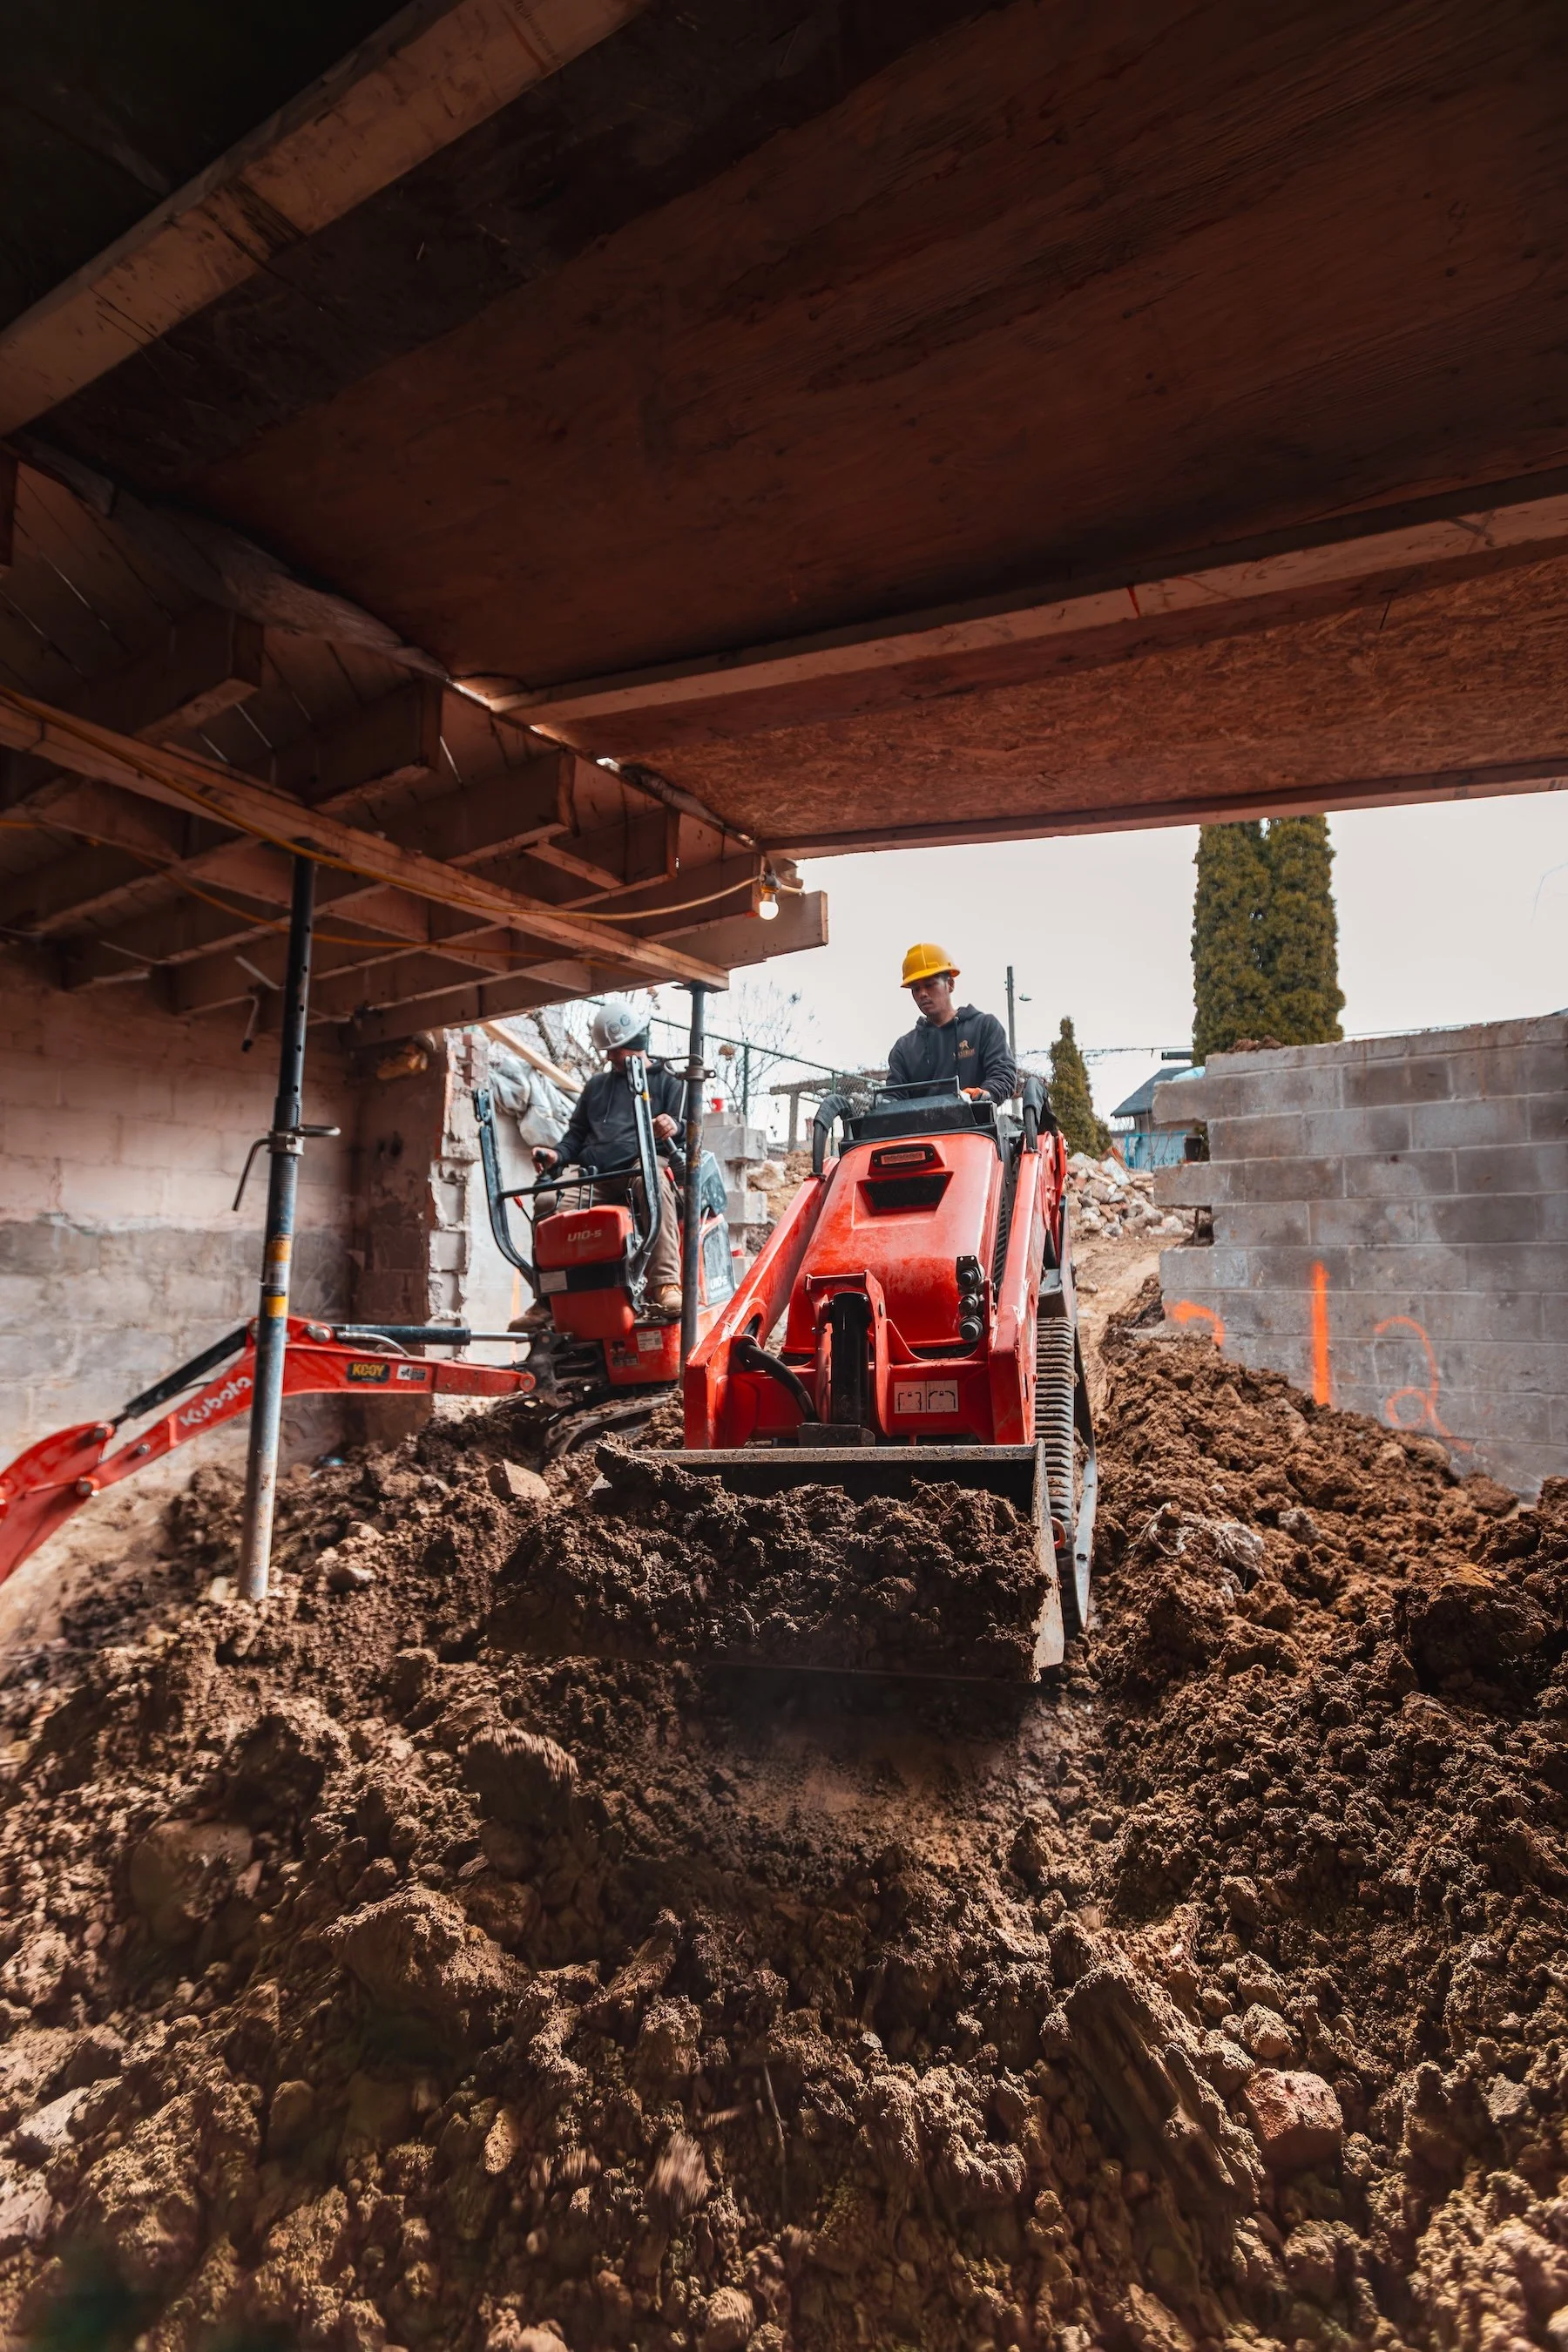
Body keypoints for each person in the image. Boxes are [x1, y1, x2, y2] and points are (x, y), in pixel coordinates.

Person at [526, 999, 686, 1322]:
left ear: (636, 1041)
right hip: (596, 1176)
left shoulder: (669, 1081)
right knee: (546, 1202)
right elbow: (575, 1135)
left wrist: (673, 1126)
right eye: (608, 1051)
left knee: (652, 1182)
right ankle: (547, 1299)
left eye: (615, 1050)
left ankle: (665, 1284)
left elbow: (684, 1132)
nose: (609, 1057)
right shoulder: (597, 1086)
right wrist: (557, 1154)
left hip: (640, 1167)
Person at [888, 944, 1017, 1105]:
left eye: (929, 985)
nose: (922, 994)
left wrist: (985, 1095)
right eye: (916, 989)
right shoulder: (904, 1048)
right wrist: (884, 1105)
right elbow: (893, 1097)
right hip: (922, 1122)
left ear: (950, 984)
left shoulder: (984, 1027)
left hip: (976, 1120)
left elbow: (1002, 1073)